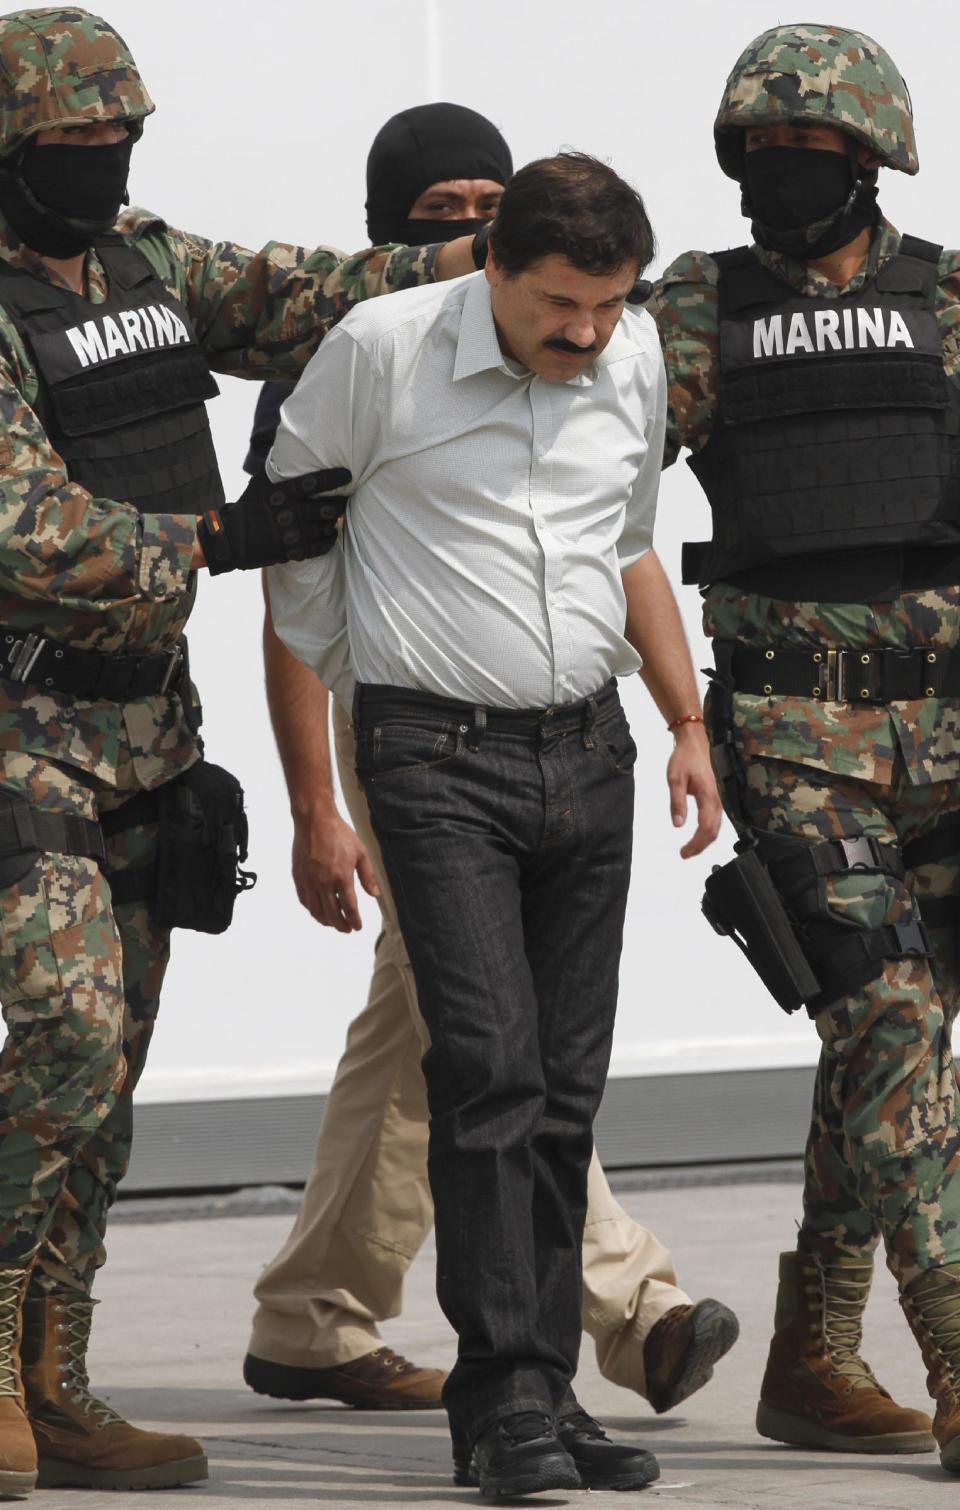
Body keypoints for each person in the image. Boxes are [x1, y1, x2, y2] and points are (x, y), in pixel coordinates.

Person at [0, 7, 458, 1499]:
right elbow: (27, 525)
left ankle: (59, 1384)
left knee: (113, 1073)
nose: (102, 166)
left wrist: (464, 266)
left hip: (146, 734)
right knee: (62, 1050)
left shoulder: (139, 261)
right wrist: (210, 536)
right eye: (72, 147)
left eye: (119, 141)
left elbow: (293, 292)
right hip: (25, 732)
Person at [247, 100, 739, 1420]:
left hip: (571, 746)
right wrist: (323, 795)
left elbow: (619, 540)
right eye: (441, 212)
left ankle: (311, 1310)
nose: (462, 227)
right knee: (489, 1053)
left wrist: (685, 717)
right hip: (412, 729)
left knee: (452, 1034)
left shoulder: (614, 356)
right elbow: (295, 582)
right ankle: (617, 1317)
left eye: (485, 196)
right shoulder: (362, 354)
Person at [650, 20, 960, 1474]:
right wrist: (669, 710)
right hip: (792, 733)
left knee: (888, 1045)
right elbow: (575, 481)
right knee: (889, 1026)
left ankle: (818, 1355)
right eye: (759, 152)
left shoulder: (946, 302)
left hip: (950, 729)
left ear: (872, 159)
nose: (780, 173)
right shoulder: (694, 312)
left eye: (812, 154)